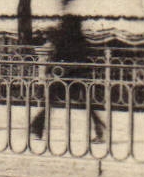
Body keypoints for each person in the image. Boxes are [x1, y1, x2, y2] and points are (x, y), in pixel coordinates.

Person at [29, 14, 106, 142]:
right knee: (85, 104)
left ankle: (37, 127)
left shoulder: (66, 39)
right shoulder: (77, 39)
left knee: (51, 101)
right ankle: (99, 129)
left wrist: (52, 68)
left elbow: (58, 54)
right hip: (75, 75)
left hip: (67, 75)